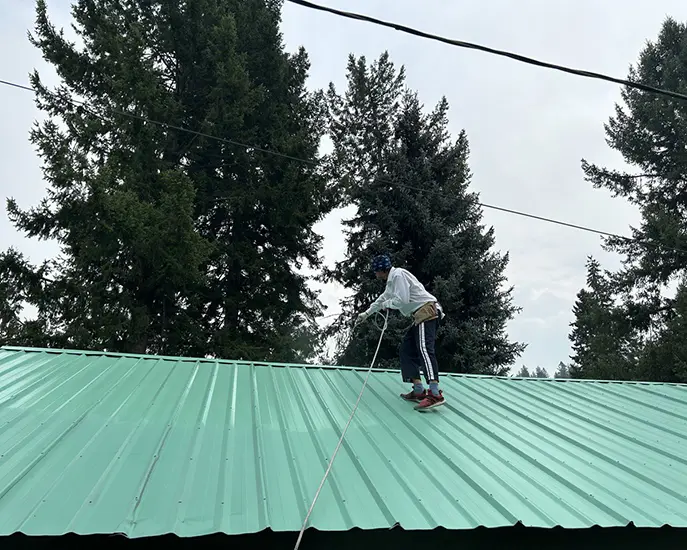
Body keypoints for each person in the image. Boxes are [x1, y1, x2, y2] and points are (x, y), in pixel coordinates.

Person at [357, 254, 446, 411]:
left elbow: (402, 300)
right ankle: (418, 390)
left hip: (427, 310)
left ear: (381, 270)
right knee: (406, 349)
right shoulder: (391, 282)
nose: (375, 275)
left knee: (424, 349)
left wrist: (388, 304)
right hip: (419, 314)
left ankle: (434, 393)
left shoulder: (398, 275)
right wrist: (367, 313)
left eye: (376, 271)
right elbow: (382, 299)